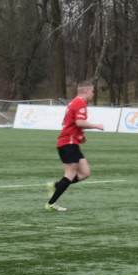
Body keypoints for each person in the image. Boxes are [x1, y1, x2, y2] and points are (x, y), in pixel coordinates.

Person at [46, 81, 105, 211]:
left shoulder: (74, 102)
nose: (93, 94)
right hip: (68, 143)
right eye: (92, 91)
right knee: (70, 174)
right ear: (86, 91)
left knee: (85, 173)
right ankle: (51, 203)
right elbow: (79, 122)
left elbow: (67, 122)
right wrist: (96, 125)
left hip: (72, 142)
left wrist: (80, 136)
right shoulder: (80, 102)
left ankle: (56, 186)